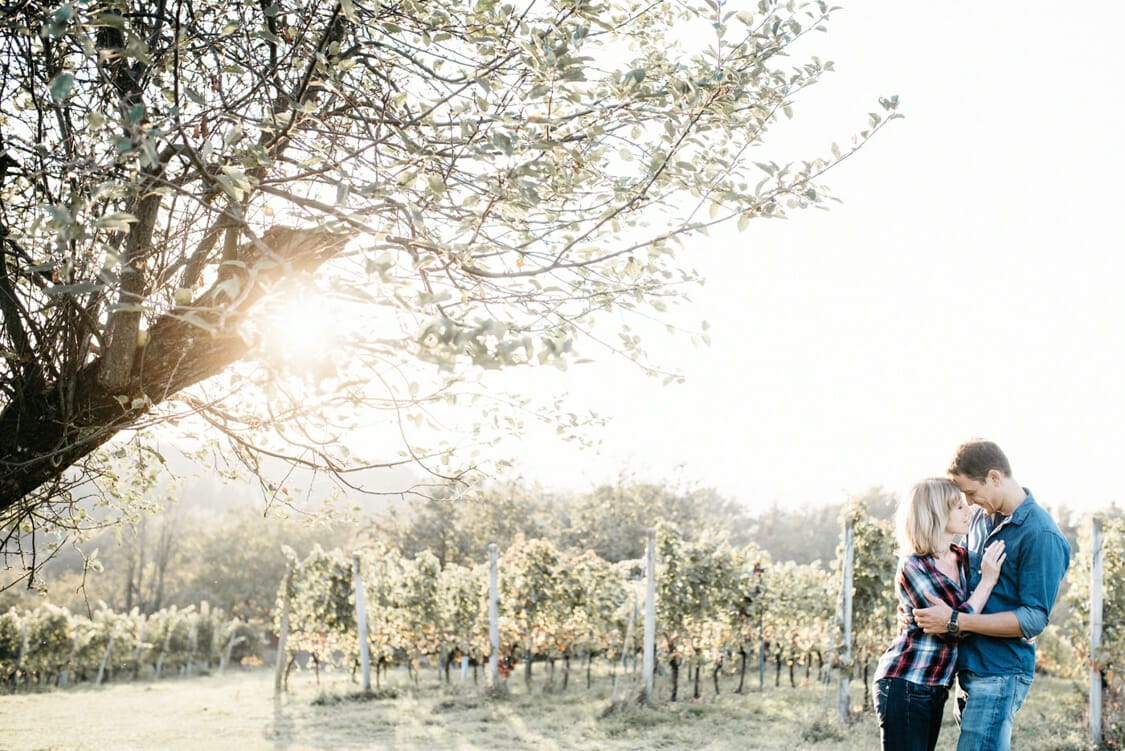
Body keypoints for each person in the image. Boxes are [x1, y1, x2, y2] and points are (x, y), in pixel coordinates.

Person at [912, 439, 1071, 751]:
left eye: (971, 492)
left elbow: (1033, 618)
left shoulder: (1041, 534)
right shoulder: (981, 521)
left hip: (1000, 670)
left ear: (995, 478)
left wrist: (957, 621)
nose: (968, 502)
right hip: (970, 666)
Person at [873, 477, 1006, 751]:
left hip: (935, 686)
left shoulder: (963, 558)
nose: (968, 510)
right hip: (906, 681)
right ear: (935, 513)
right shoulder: (914, 566)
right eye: (958, 507)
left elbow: (960, 619)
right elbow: (958, 625)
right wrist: (987, 582)